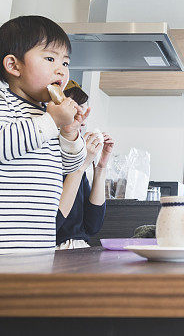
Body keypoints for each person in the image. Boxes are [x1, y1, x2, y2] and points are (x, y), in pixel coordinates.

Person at [0, 16, 87, 258]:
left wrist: (69, 133)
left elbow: (72, 166)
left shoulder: (48, 114)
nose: (61, 70)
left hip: (37, 249)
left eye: (65, 63)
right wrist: (52, 121)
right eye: (50, 58)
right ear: (14, 65)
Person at [56, 83, 113, 249]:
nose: (82, 120)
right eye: (76, 110)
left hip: (79, 248)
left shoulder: (78, 156)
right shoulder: (49, 156)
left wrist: (100, 167)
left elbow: (92, 226)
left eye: (85, 113)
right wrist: (82, 164)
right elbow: (53, 224)